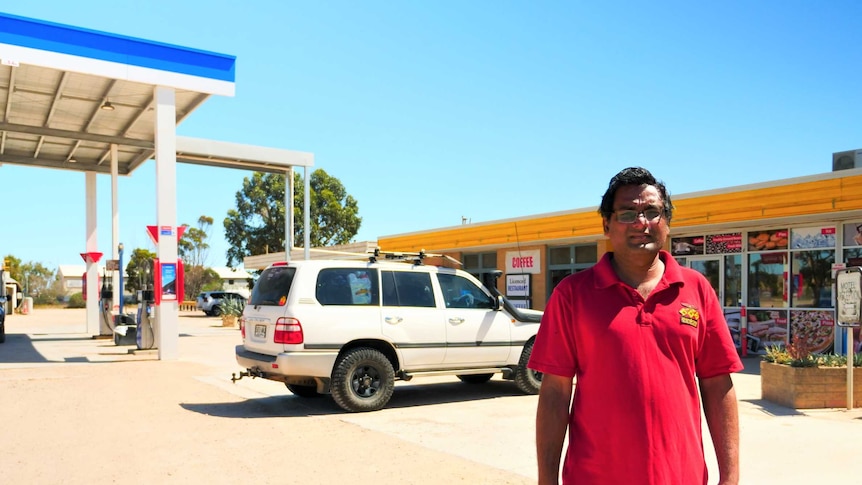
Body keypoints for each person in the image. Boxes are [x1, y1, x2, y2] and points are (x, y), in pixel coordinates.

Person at [529, 167, 743, 485]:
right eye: (628, 213)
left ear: (667, 223)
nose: (641, 223)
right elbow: (555, 393)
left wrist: (730, 477)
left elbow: (717, 386)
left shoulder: (696, 290)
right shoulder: (572, 295)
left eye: (652, 212)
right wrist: (547, 480)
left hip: (681, 476)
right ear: (607, 224)